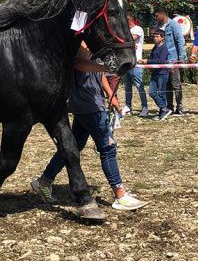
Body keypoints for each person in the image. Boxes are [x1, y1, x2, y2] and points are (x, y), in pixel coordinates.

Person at [30, 44, 148, 211]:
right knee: (107, 148)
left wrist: (111, 95)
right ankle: (120, 194)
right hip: (88, 105)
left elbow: (100, 75)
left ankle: (44, 181)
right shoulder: (79, 43)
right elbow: (79, 62)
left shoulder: (95, 46)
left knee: (73, 146)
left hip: (91, 103)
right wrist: (105, 66)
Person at [154, 8, 187, 115]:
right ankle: (169, 107)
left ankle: (180, 107)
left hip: (173, 60)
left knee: (176, 84)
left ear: (163, 14)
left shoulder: (174, 25)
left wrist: (181, 59)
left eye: (157, 15)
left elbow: (180, 41)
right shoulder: (157, 26)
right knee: (165, 85)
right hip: (162, 61)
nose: (155, 18)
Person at [138, 30, 170, 120]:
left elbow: (161, 61)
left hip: (162, 73)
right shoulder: (155, 47)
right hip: (155, 73)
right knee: (152, 92)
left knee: (161, 93)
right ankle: (164, 109)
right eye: (154, 36)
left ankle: (162, 111)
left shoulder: (164, 48)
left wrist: (147, 61)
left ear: (162, 38)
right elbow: (152, 59)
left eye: (157, 36)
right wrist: (145, 61)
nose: (155, 38)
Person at [122, 14, 148, 117]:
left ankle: (145, 107)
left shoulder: (138, 29)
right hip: (125, 62)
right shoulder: (124, 30)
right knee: (127, 86)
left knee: (139, 86)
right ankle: (128, 106)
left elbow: (131, 39)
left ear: (129, 20)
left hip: (135, 62)